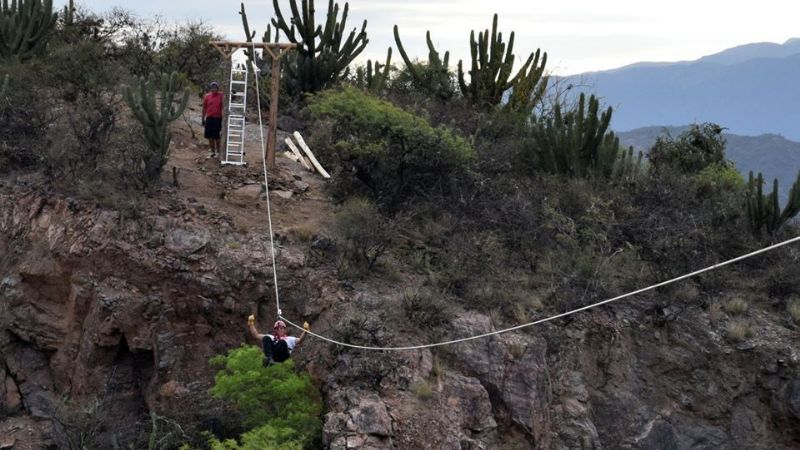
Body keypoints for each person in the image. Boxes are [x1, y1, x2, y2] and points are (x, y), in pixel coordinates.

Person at [202, 81, 223, 159]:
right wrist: (203, 118)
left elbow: (230, 96)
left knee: (216, 136)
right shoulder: (207, 96)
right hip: (209, 117)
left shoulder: (221, 95)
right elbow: (204, 108)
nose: (214, 89)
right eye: (212, 87)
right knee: (209, 135)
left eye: (215, 87)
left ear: (218, 88)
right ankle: (212, 151)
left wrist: (233, 92)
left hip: (218, 118)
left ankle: (218, 152)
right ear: (210, 88)